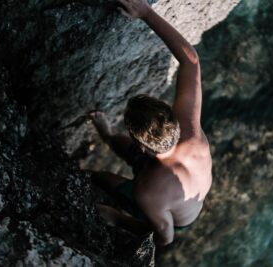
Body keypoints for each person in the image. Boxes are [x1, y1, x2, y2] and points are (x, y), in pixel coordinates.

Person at [89, 0, 212, 246]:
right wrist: (146, 12)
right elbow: (191, 61)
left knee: (98, 177)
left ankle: (109, 142)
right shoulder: (189, 129)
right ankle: (109, 136)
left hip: (174, 210)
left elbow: (165, 237)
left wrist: (117, 218)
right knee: (116, 143)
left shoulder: (147, 192)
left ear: (143, 146)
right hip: (169, 171)